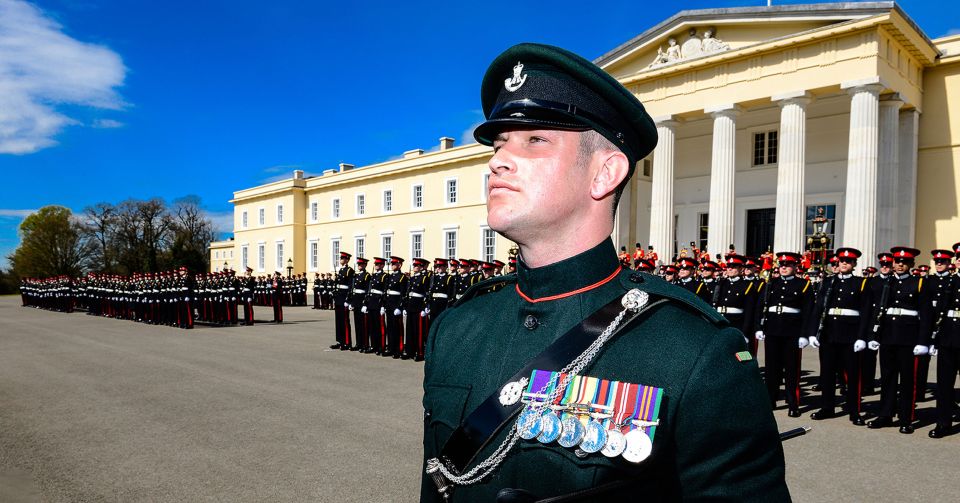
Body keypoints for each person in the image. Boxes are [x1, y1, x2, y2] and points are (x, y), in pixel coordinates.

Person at [421, 43, 787, 502]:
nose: (497, 162)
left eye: (535, 140)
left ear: (604, 173)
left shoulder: (695, 351)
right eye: (499, 144)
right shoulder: (457, 327)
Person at [867, 247, 933, 434]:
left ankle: (906, 418)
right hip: (888, 336)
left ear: (911, 264)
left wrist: (922, 341)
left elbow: (926, 315)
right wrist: (874, 336)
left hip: (908, 338)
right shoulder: (885, 283)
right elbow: (876, 311)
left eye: (904, 262)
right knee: (887, 378)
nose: (900, 264)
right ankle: (885, 414)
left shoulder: (919, 283)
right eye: (897, 261)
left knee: (907, 380)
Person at [807, 247, 871, 425]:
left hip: (851, 335)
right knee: (827, 373)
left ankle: (854, 410)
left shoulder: (862, 283)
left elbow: (866, 312)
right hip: (829, 333)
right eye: (841, 261)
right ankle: (827, 407)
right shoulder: (828, 282)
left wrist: (862, 337)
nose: (844, 264)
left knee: (852, 375)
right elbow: (818, 308)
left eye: (848, 261)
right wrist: (812, 333)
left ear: (854, 264)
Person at [755, 252, 814, 417]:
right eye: (781, 265)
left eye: (788, 265)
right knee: (771, 368)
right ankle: (770, 400)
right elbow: (760, 307)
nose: (784, 268)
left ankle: (793, 403)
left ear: (795, 267)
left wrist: (805, 334)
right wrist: (759, 327)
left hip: (792, 331)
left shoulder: (803, 284)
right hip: (772, 329)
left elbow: (808, 311)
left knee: (791, 369)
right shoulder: (770, 284)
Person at [929, 242, 960, 438]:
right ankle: (943, 423)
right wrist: (934, 339)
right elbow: (939, 312)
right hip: (948, 338)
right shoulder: (949, 281)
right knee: (944, 384)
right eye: (959, 258)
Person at [330, 251, 355, 350]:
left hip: (344, 297)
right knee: (338, 320)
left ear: (347, 260)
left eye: (343, 258)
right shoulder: (340, 270)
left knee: (345, 320)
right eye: (340, 258)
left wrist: (348, 299)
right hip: (339, 297)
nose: (341, 260)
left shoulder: (350, 271)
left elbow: (350, 286)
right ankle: (340, 341)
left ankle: (347, 342)